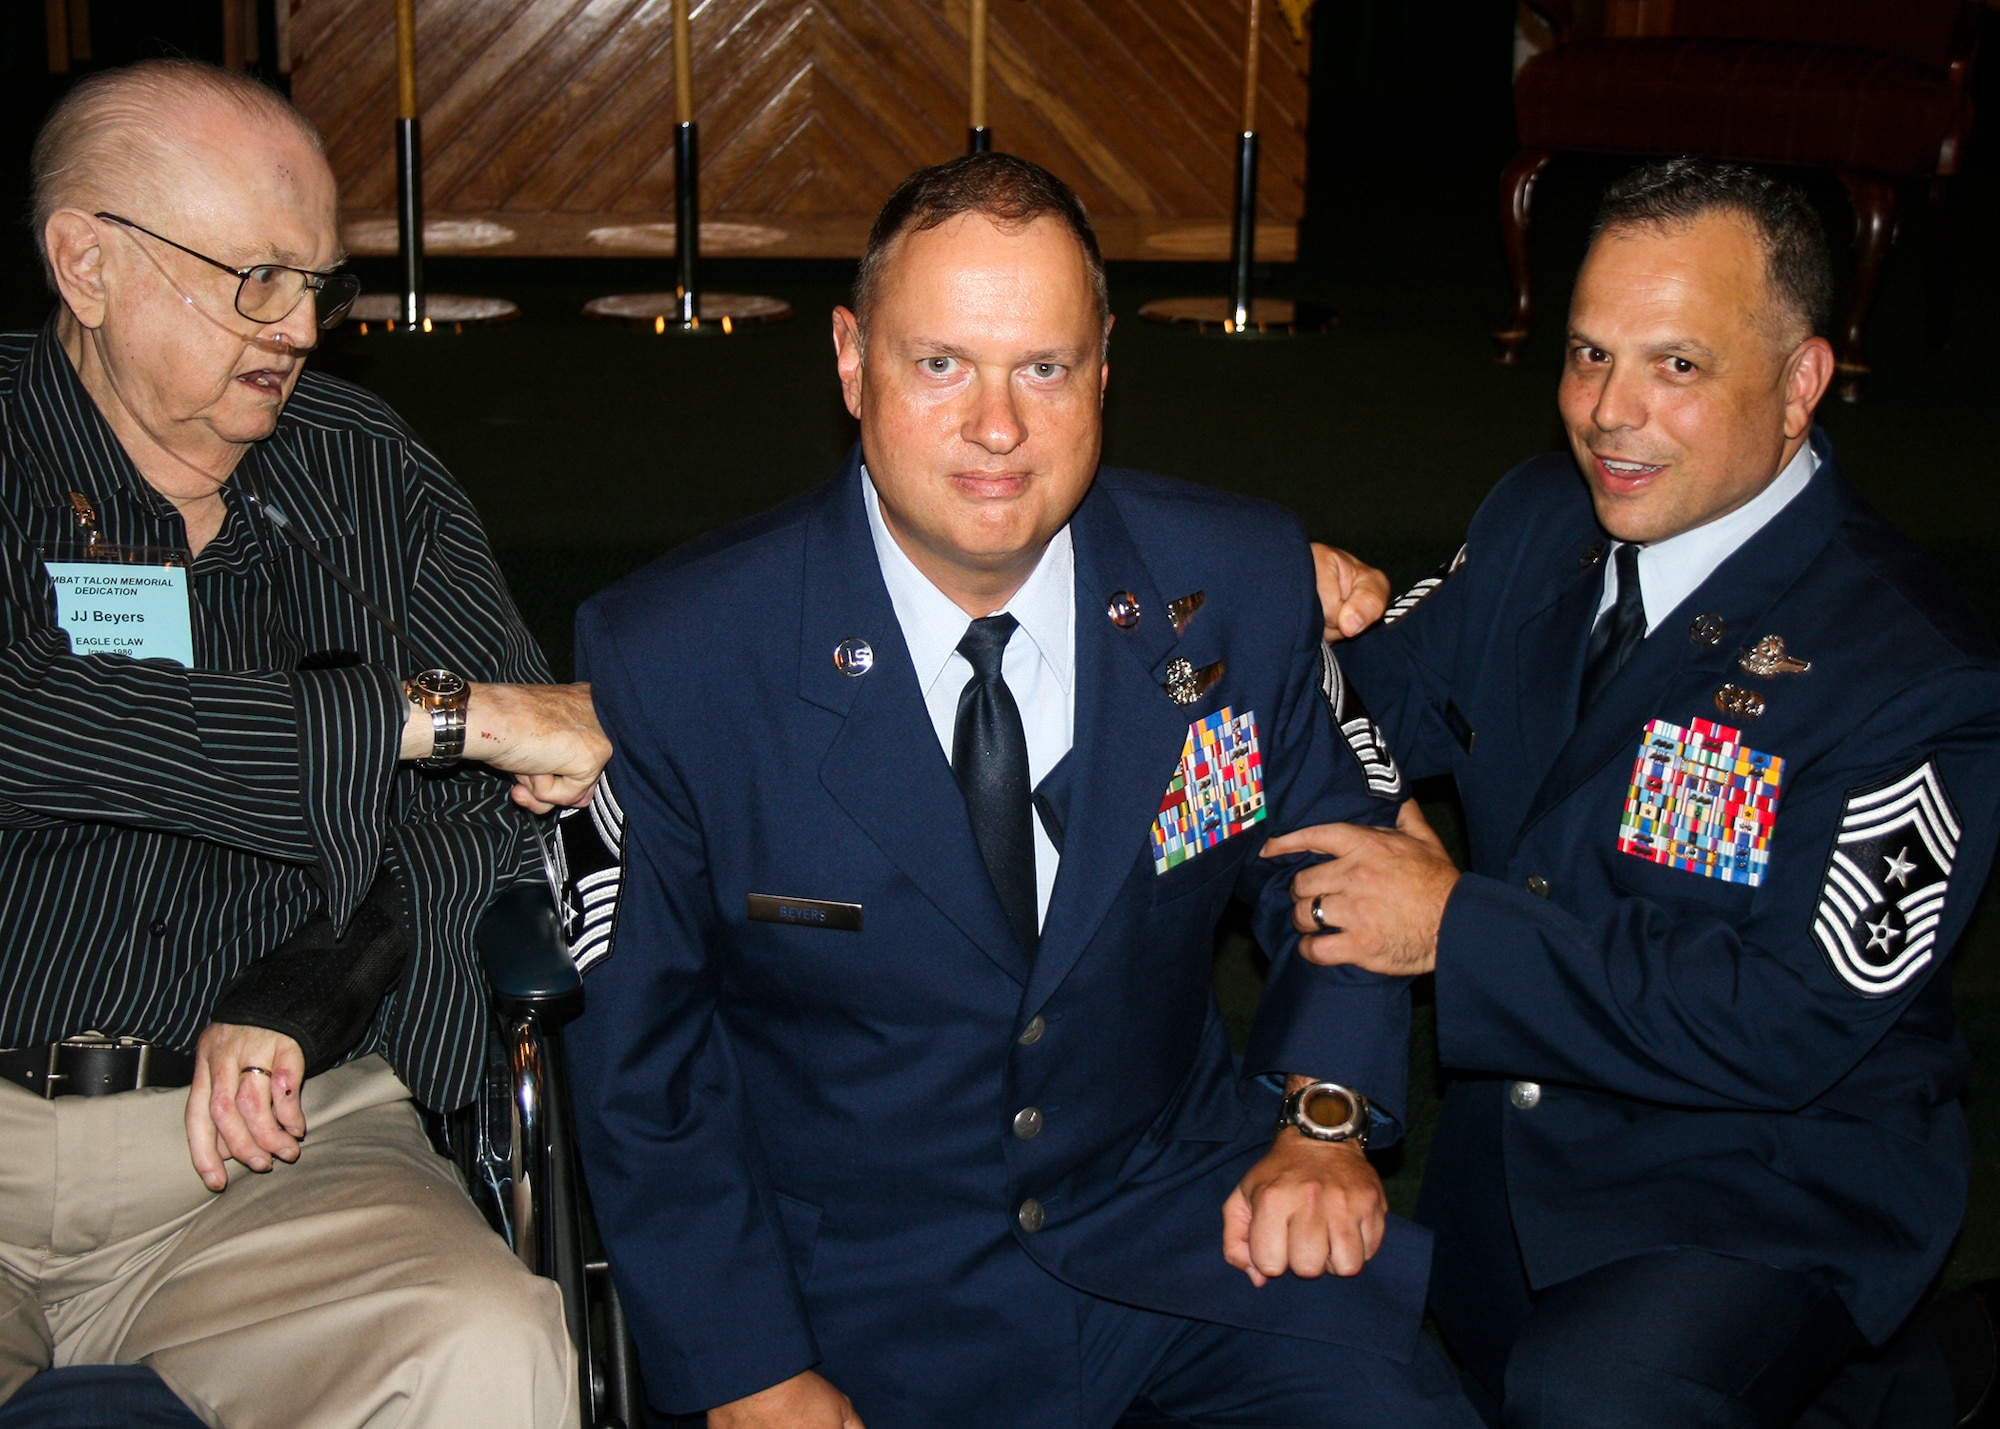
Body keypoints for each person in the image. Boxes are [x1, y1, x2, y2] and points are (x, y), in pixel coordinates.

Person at [567, 153, 1480, 1429]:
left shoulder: (1232, 581)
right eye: (940, 364)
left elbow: (1343, 867)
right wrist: (747, 1368)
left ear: (1103, 366)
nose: (997, 428)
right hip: (861, 1299)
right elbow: (640, 1067)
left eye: (1042, 368)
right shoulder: (682, 653)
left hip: (1194, 1231)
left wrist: (1323, 1117)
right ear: (849, 360)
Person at [1284, 158, 2000, 1428]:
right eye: (1587, 353)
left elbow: (1791, 1017)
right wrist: (1286, 605)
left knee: (1587, 1395)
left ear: (1798, 386)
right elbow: (1371, 699)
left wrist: (1453, 927)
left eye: (1675, 366)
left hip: (1768, 1172)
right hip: (1519, 1146)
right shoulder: (1533, 526)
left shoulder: (1912, 673)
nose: (1608, 412)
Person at [0, 60, 608, 1427]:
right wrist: (412, 716)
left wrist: (313, 986)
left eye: (318, 283)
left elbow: (496, 811)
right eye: (254, 278)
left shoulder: (361, 470)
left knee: (491, 1341)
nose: (298, 329)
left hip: (275, 1149)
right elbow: (34, 718)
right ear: (85, 262)